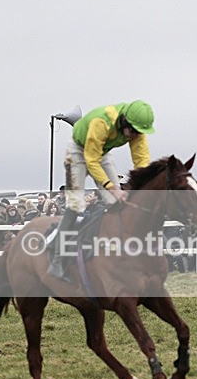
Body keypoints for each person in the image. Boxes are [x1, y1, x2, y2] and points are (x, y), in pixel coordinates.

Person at [48, 100, 155, 281]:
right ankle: (57, 260)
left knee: (116, 203)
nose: (135, 136)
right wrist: (113, 188)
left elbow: (141, 164)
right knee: (75, 205)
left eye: (139, 133)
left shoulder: (137, 132)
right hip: (79, 150)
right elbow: (91, 162)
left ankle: (116, 253)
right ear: (124, 122)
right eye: (134, 131)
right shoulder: (102, 123)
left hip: (102, 151)